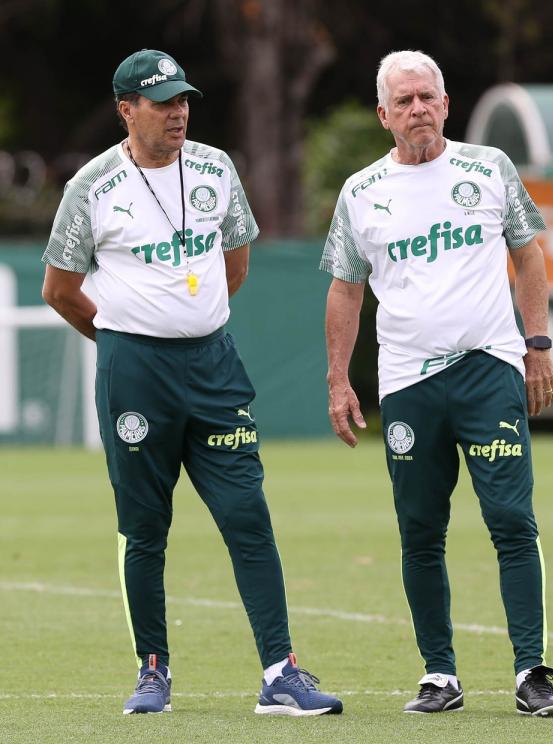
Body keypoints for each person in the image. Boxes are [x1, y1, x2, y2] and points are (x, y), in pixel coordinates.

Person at [42, 48, 342, 718]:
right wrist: (123, 339)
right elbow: (59, 291)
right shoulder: (91, 187)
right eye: (162, 102)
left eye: (183, 100)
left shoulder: (215, 167)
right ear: (127, 110)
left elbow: (235, 264)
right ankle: (153, 671)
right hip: (135, 374)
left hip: (212, 365)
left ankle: (280, 675)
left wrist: (189, 320)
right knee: (145, 528)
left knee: (248, 516)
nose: (178, 112)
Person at [321, 49, 553, 717]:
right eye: (404, 101)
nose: (418, 109)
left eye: (427, 97)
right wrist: (340, 379)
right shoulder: (360, 192)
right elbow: (346, 291)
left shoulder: (487, 169)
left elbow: (528, 257)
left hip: (489, 367)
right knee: (420, 529)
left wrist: (537, 345)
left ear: (447, 104)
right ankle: (439, 674)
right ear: (383, 115)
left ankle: (530, 673)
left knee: (512, 520)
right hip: (407, 384)